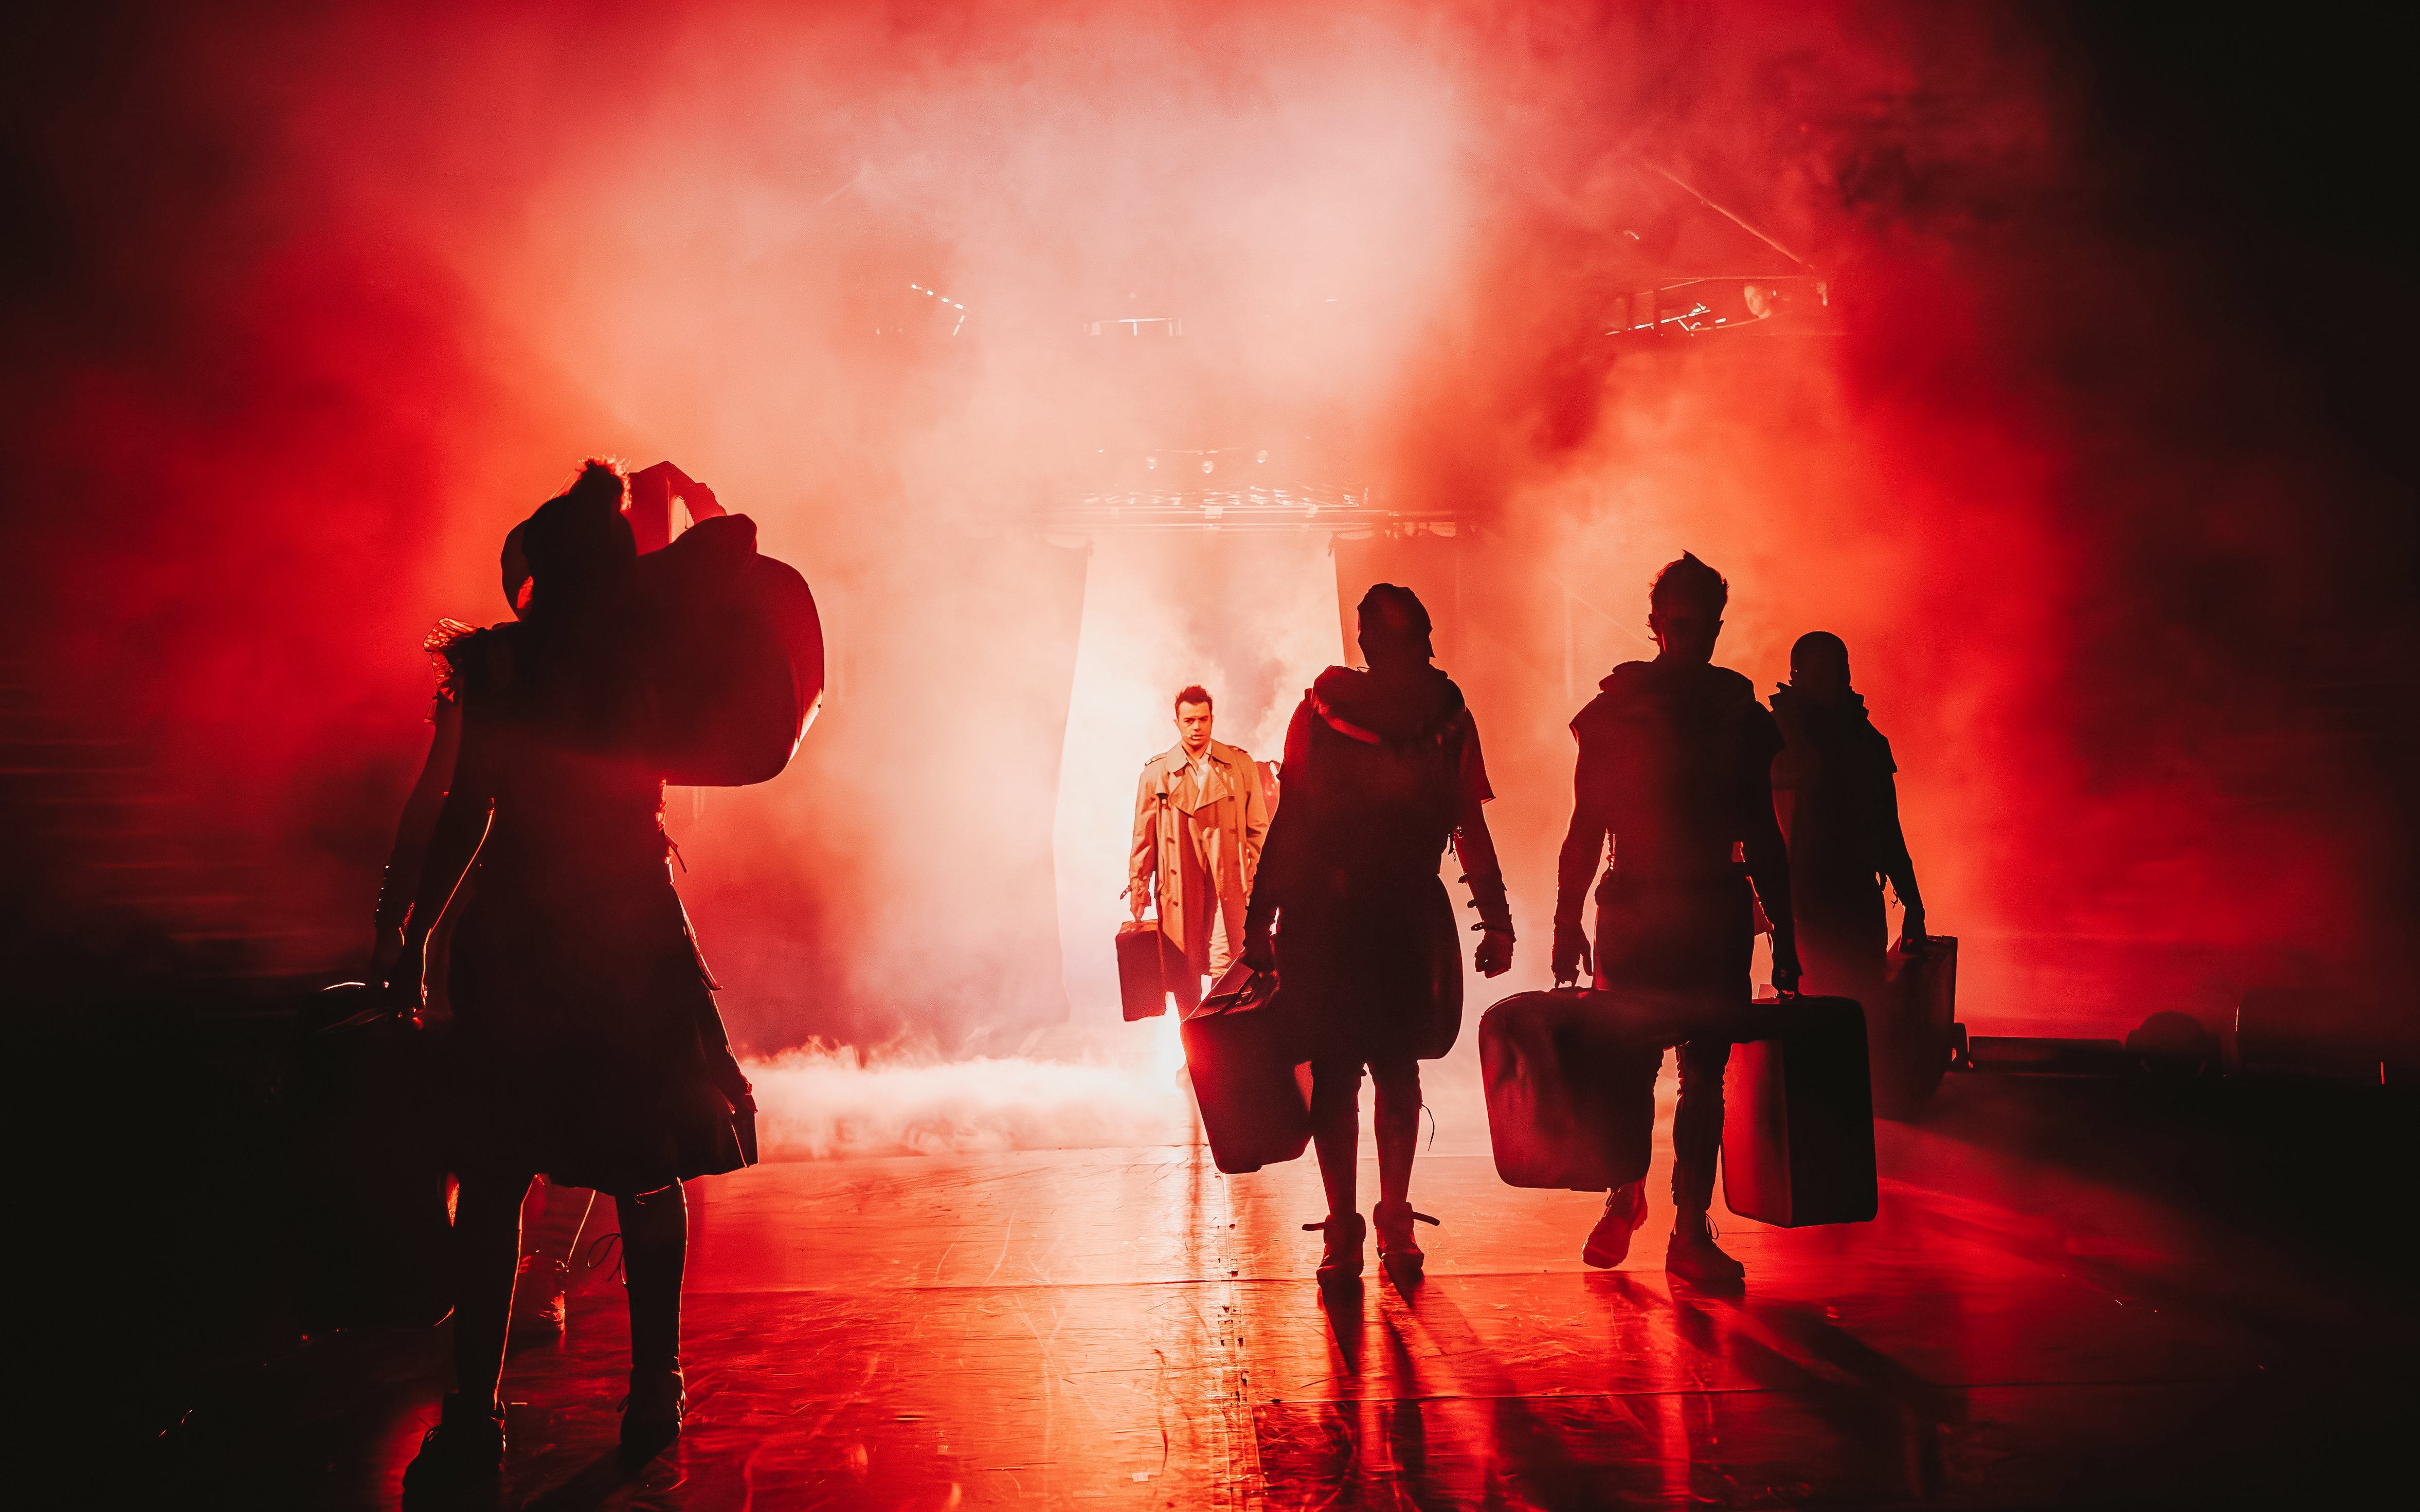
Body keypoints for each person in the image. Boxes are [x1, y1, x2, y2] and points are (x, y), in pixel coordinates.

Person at [376, 459, 755, 1493]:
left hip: (520, 932)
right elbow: (736, 548)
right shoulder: (643, 651)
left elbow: (468, 811)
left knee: (496, 1174)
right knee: (644, 1167)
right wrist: (678, 502)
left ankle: (475, 1413)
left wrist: (413, 930)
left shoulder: (502, 664)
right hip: (626, 928)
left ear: (537, 571)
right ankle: (655, 1386)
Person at [1241, 585, 1513, 1288]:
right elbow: (1297, 817)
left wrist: (1261, 917)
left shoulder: (1383, 715)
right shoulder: (1413, 714)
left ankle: (1372, 1222)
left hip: (1363, 913)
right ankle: (1366, 1222)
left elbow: (1462, 820)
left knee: (1368, 1071)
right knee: (1365, 1070)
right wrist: (1495, 916)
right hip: (1362, 913)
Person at [1551, 553, 1799, 1288]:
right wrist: (1565, 921)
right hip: (1634, 905)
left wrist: (1786, 935)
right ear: (1656, 625)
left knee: (1704, 1074)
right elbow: (1584, 827)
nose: (1694, 640)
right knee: (1630, 1068)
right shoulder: (1617, 715)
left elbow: (1763, 836)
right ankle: (1624, 1196)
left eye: (1706, 627)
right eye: (1681, 626)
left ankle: (1689, 1230)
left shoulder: (1737, 717)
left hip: (1712, 906)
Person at [1768, 632, 1927, 1090]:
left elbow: (1887, 828)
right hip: (1803, 904)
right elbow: (1755, 827)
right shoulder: (1773, 739)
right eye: (1817, 671)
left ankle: (1860, 1105)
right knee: (1813, 1011)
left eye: (1833, 670)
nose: (1828, 680)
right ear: (1796, 675)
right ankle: (1818, 1104)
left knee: (1861, 1012)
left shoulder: (1866, 743)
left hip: (1854, 899)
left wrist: (1912, 901)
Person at [1129, 685, 1269, 1008]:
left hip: (1227, 884)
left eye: (1202, 719)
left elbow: (1258, 829)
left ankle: (1220, 1034)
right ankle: (1191, 1038)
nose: (1196, 727)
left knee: (1228, 964)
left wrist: (1256, 878)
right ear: (1177, 722)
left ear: (1212, 719)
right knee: (1184, 971)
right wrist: (1139, 887)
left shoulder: (1239, 765)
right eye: (1189, 720)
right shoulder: (1156, 774)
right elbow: (1143, 838)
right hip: (1180, 887)